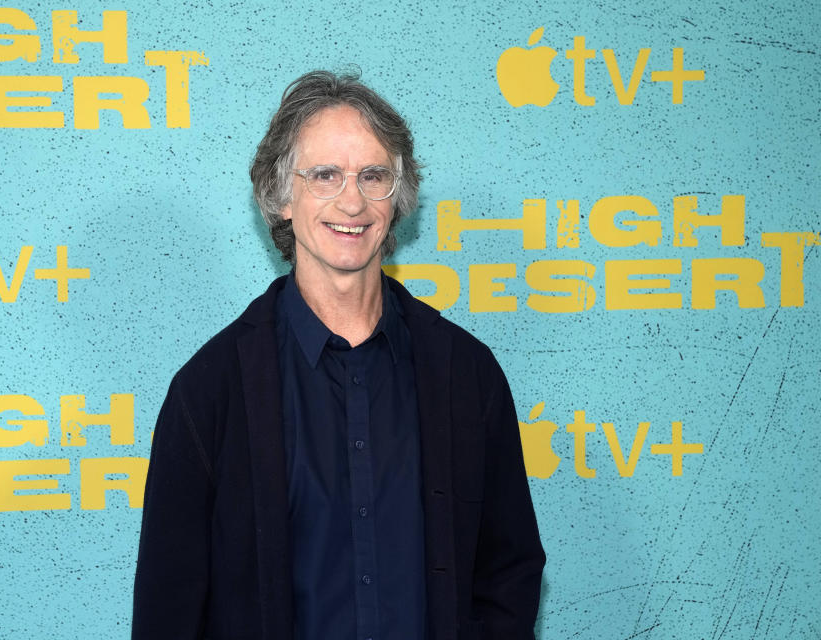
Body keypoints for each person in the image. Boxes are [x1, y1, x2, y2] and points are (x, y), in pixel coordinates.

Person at [133, 70, 545, 640]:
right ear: (279, 197)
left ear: (397, 198)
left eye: (373, 175)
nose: (351, 200)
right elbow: (168, 607)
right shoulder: (209, 390)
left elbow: (509, 571)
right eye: (324, 175)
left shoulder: (465, 375)